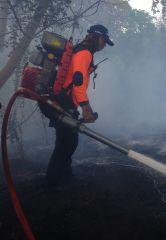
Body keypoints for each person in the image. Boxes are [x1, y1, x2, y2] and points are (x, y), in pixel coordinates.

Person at [42, 24, 114, 191]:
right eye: (104, 41)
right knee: (67, 143)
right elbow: (78, 82)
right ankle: (50, 185)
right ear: (98, 37)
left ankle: (65, 176)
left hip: (60, 100)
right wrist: (86, 108)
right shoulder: (84, 53)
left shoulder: (80, 51)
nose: (104, 46)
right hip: (61, 102)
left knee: (66, 140)